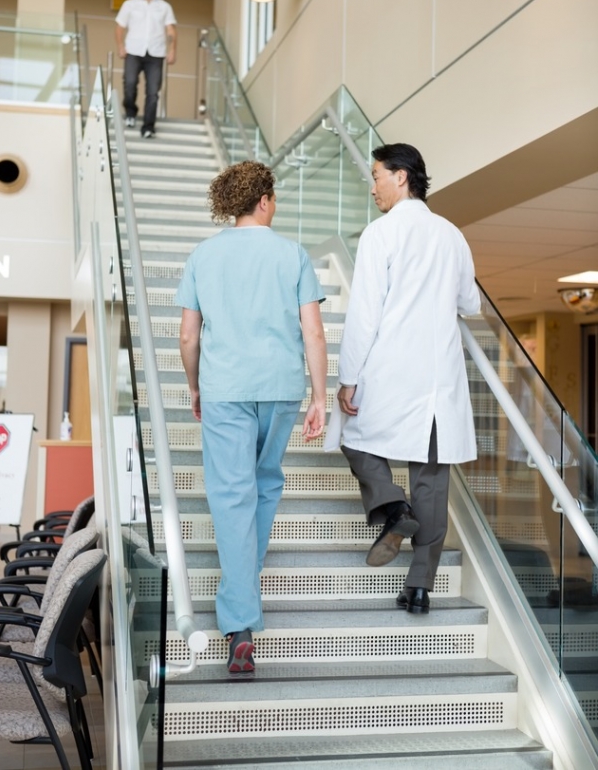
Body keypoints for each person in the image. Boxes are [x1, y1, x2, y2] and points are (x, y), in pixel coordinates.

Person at [176, 161, 327, 673]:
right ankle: (245, 590)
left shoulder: (203, 255)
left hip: (226, 389)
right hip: (282, 388)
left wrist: (195, 385)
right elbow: (314, 334)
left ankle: (239, 618)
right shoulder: (293, 254)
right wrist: (320, 399)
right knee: (263, 486)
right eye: (275, 196)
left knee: (231, 494)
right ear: (263, 200)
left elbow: (188, 336)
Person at [325, 143, 480, 615]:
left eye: (376, 176)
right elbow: (470, 304)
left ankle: (393, 509)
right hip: (440, 376)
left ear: (402, 177)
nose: (371, 187)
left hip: (390, 366)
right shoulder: (452, 234)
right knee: (431, 475)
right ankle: (419, 587)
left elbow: (364, 314)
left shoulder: (381, 234)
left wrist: (348, 377)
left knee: (353, 436)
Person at [115, 0, 177, 138]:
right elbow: (120, 27)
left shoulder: (164, 7)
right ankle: (130, 112)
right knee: (129, 83)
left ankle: (148, 127)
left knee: (153, 92)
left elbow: (171, 30)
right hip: (133, 51)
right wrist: (120, 46)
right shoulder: (130, 4)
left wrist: (172, 50)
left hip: (156, 54)